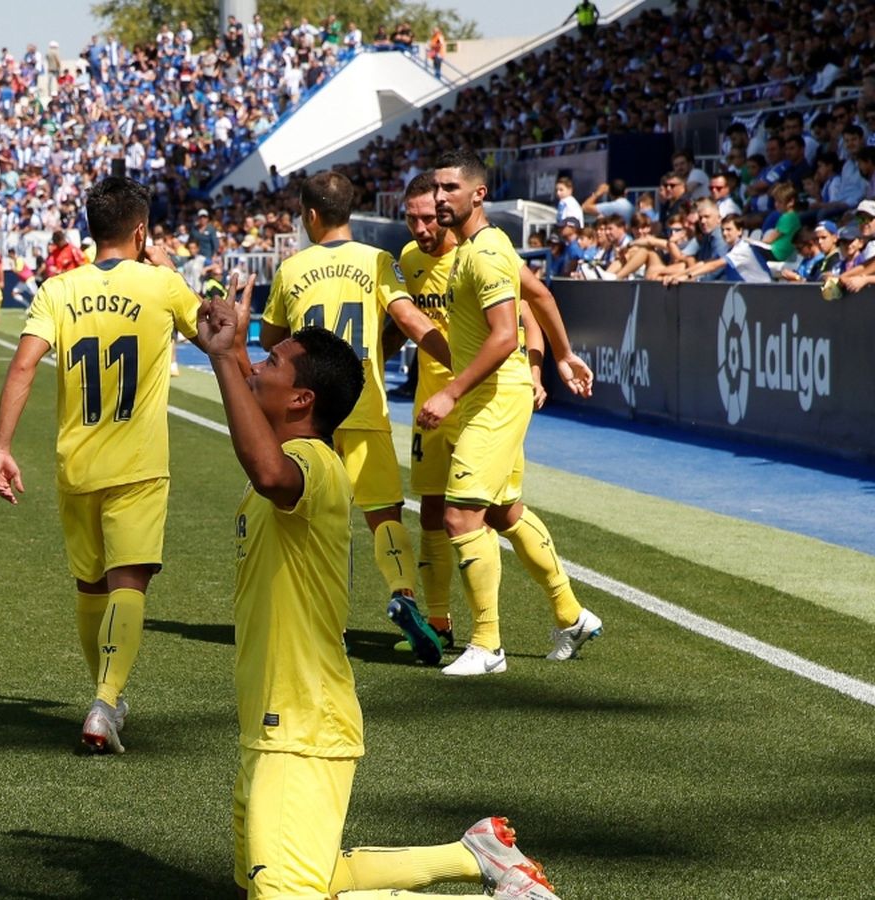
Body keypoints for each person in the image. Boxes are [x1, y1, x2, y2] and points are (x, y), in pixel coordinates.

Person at [197, 283, 562, 900]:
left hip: (300, 726)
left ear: (302, 399)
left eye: (271, 362)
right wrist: (228, 347)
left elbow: (266, 471)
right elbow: (260, 433)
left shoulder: (311, 464)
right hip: (277, 722)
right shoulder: (295, 453)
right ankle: (473, 855)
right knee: (299, 879)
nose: (256, 366)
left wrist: (221, 360)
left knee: (288, 895)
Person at [0, 176, 201, 754]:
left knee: (90, 586)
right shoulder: (161, 284)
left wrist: (2, 447)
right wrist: (172, 270)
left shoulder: (58, 289)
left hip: (76, 463)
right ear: (141, 231)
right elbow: (215, 334)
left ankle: (107, 698)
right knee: (129, 581)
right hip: (138, 464)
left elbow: (23, 366)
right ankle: (105, 702)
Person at [258, 170, 453, 665]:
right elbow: (411, 320)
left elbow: (269, 338)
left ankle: (330, 624)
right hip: (363, 405)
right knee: (383, 514)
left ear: (310, 215)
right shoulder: (378, 260)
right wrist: (462, 363)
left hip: (309, 416)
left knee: (316, 518)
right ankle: (405, 597)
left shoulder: (292, 268)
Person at [418, 150, 601, 677]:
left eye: (450, 188)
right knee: (503, 512)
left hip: (494, 399)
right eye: (436, 188)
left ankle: (487, 645)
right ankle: (571, 616)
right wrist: (563, 355)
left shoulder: (484, 253)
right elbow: (538, 292)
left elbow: (503, 337)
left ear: (478, 194)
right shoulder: (485, 245)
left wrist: (450, 394)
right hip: (496, 395)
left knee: (459, 516)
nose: (439, 198)